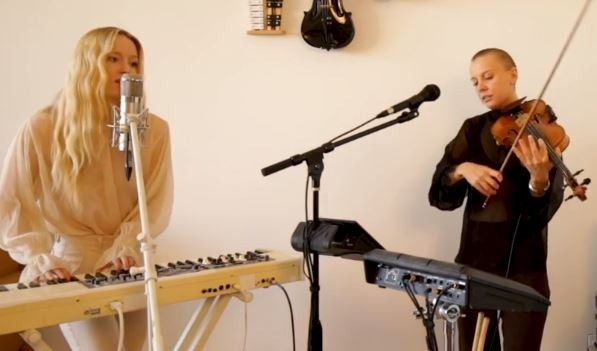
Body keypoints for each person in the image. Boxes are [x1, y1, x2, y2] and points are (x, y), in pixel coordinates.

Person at [0, 26, 174, 350]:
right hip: (72, 263)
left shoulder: (155, 131)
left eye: (134, 62)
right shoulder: (43, 127)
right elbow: (10, 202)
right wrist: (40, 258)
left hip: (129, 260)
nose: (126, 69)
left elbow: (153, 203)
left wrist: (125, 248)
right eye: (114, 58)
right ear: (88, 63)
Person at [428, 48, 564, 351]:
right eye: (475, 82)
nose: (481, 86)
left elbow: (540, 215)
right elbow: (439, 196)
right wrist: (462, 169)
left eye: (487, 76)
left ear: (513, 74)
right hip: (475, 266)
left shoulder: (541, 127)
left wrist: (538, 182)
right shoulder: (472, 129)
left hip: (526, 269)